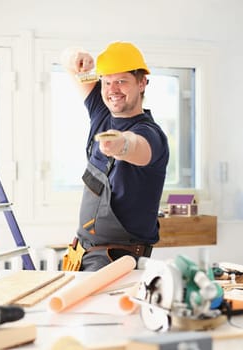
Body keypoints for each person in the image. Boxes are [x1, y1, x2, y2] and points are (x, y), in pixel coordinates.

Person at [62, 41, 169, 271]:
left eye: (122, 81)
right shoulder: (101, 113)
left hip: (118, 263)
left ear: (142, 83)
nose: (113, 89)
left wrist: (121, 145)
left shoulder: (151, 134)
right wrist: (77, 58)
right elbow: (68, 63)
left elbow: (136, 146)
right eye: (107, 82)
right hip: (82, 256)